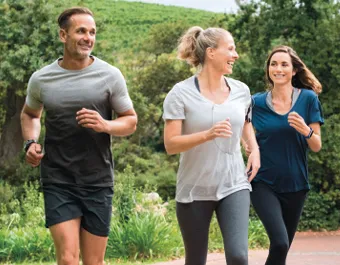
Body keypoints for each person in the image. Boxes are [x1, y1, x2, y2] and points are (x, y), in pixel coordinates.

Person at [20, 7, 137, 265]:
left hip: (97, 178)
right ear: (63, 35)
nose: (88, 37)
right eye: (81, 31)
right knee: (68, 259)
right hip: (58, 177)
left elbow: (130, 121)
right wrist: (30, 142)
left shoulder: (110, 75)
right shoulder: (41, 79)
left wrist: (104, 125)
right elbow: (30, 115)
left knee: (93, 262)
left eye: (92, 32)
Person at [162, 26, 260, 265]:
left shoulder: (241, 91)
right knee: (195, 260)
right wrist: (207, 134)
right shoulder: (180, 93)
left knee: (238, 256)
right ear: (211, 52)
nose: (235, 55)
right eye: (230, 49)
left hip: (233, 183)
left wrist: (254, 149)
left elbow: (246, 124)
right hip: (195, 189)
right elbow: (171, 144)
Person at [248, 45, 323, 265]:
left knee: (281, 249)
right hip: (262, 181)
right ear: (268, 70)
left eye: (284, 64)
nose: (278, 68)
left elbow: (317, 145)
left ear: (293, 71)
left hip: (296, 184)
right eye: (273, 64)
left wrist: (305, 130)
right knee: (279, 242)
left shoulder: (308, 99)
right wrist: (249, 145)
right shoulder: (256, 102)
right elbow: (242, 129)